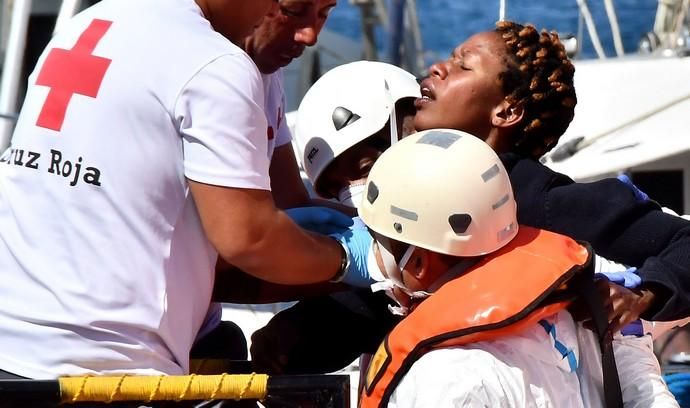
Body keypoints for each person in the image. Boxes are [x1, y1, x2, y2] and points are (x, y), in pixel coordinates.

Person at [251, 21, 690, 384]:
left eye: (463, 65)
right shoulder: (423, 186)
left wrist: (645, 294)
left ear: (506, 112)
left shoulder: (546, 202)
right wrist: (299, 333)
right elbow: (396, 295)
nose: (438, 67)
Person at [0, 0, 375, 380]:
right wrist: (359, 262)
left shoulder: (89, 22)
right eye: (292, 10)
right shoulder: (214, 63)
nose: (311, 35)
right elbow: (251, 240)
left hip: (13, 344)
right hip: (104, 362)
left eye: (324, 13)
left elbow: (283, 207)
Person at [354, 128, 648, 407]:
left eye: (377, 240)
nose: (374, 253)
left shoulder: (443, 377)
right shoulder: (583, 308)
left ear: (417, 263)